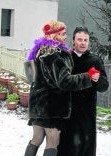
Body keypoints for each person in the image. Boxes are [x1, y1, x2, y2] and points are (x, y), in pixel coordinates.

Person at [24, 20, 99, 156]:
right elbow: (64, 82)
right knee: (52, 143)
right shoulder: (56, 54)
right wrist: (87, 76)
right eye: (63, 34)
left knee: (36, 139)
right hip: (52, 106)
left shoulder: (41, 51)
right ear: (55, 35)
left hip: (38, 104)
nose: (65, 37)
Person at [57, 27, 109, 156]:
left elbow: (104, 86)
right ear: (73, 41)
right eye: (79, 39)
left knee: (85, 147)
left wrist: (97, 80)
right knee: (66, 146)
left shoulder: (95, 60)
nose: (83, 43)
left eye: (86, 40)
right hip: (67, 111)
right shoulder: (66, 58)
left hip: (87, 112)